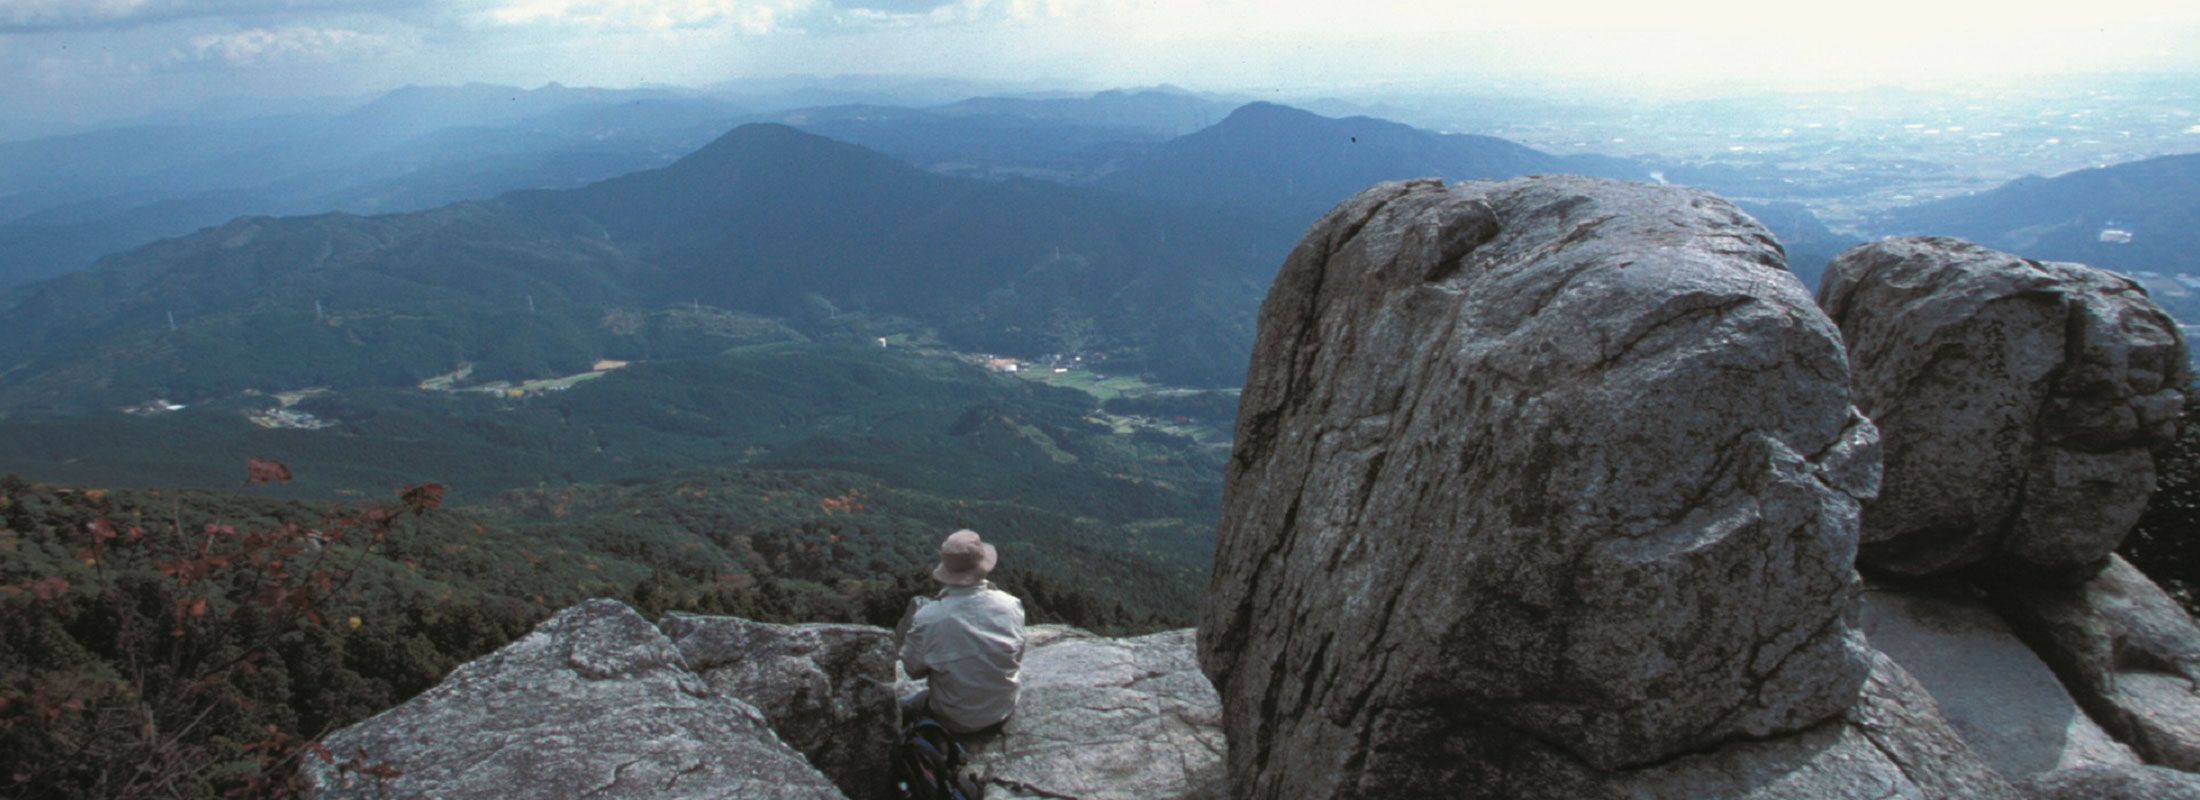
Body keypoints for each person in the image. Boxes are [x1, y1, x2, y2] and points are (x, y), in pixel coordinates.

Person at [896, 529, 1027, 733]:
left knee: (902, 706)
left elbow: (912, 671)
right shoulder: (1011, 605)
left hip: (953, 719)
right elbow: (1017, 655)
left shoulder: (929, 618)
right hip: (1003, 709)